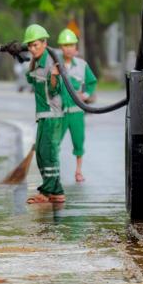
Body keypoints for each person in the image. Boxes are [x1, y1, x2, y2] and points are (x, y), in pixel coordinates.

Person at [23, 23, 66, 204]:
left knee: (47, 154)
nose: (33, 49)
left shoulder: (50, 61)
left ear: (45, 43)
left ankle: (47, 192)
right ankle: (56, 191)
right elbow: (29, 79)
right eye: (30, 46)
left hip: (52, 115)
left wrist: (55, 76)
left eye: (36, 45)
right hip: (43, 115)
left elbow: (56, 90)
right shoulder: (37, 61)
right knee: (42, 153)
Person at [57, 28, 97, 183]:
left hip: (76, 112)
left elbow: (91, 81)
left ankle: (78, 171)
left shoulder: (82, 65)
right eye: (65, 45)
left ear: (76, 47)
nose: (68, 48)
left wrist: (86, 96)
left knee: (78, 141)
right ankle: (55, 171)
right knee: (55, 143)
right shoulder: (56, 64)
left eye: (71, 45)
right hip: (59, 113)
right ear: (61, 47)